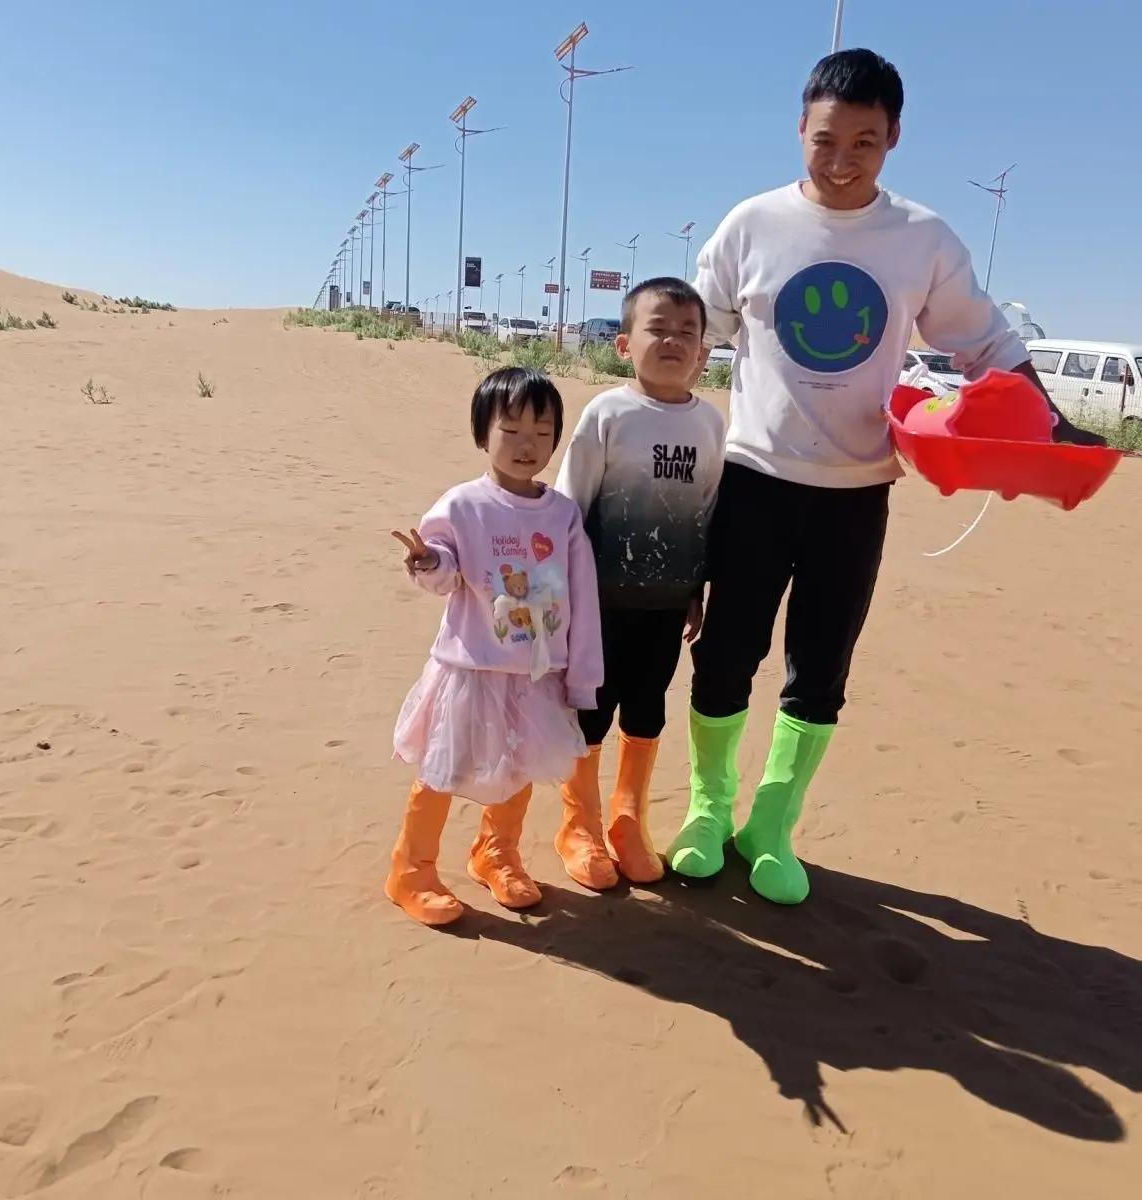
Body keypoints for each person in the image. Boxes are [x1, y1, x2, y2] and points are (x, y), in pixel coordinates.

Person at [666, 48, 1105, 905]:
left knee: (820, 669)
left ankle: (772, 827)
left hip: (858, 492)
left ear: (893, 138)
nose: (840, 162)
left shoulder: (923, 240)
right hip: (753, 479)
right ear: (799, 128)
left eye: (863, 143)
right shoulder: (752, 224)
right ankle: (708, 811)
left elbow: (989, 344)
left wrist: (1053, 422)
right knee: (725, 654)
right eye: (825, 140)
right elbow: (690, 333)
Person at [387, 367, 603, 927]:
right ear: (483, 435)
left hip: (536, 673)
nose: (527, 444)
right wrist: (430, 561)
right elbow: (444, 565)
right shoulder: (463, 505)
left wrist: (581, 677)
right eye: (511, 430)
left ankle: (496, 853)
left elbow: (581, 597)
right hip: (472, 668)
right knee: (444, 768)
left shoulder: (562, 515)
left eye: (542, 430)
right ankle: (412, 868)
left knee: (520, 767)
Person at [553, 278, 725, 889]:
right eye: (658, 328)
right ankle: (580, 826)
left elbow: (706, 510)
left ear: (704, 351)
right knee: (592, 713)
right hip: (598, 603)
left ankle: (628, 820)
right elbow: (570, 504)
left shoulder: (710, 423)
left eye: (688, 332)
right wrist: (564, 593)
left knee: (648, 709)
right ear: (625, 343)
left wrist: (695, 590)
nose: (674, 341)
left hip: (665, 605)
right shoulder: (608, 412)